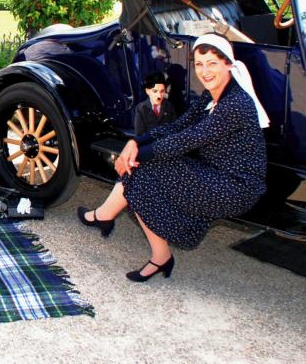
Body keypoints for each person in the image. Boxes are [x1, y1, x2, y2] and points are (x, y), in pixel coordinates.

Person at [77, 33, 269, 283]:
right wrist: (135, 142)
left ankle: (111, 221)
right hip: (213, 172)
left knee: (140, 170)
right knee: (141, 174)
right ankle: (148, 248)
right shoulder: (212, 95)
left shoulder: (235, 104)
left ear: (228, 65)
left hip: (235, 187)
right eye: (199, 64)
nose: (205, 71)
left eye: (212, 63)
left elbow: (185, 140)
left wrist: (135, 155)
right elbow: (177, 127)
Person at [134, 71, 176, 135]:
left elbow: (174, 129)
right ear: (147, 91)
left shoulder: (169, 107)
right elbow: (139, 134)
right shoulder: (141, 108)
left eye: (162, 91)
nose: (159, 95)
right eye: (155, 91)